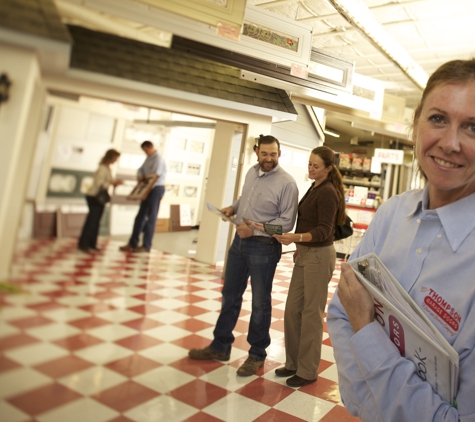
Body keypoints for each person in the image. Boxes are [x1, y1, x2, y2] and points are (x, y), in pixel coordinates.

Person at [327, 58, 475, 421]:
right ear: (415, 126)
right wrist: (369, 405)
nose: (450, 143)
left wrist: (367, 329)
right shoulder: (393, 214)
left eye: (473, 127)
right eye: (438, 118)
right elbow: (339, 310)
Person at [189, 134, 299, 376]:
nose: (268, 158)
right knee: (229, 295)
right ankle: (220, 346)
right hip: (239, 243)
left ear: (279, 154)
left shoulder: (287, 184)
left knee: (260, 303)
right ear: (257, 152)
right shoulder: (251, 172)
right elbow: (244, 199)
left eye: (273, 154)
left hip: (264, 248)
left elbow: (286, 225)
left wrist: (256, 228)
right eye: (264, 154)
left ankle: (257, 354)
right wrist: (233, 208)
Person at [273, 146, 346, 387]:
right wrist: (297, 244)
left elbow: (325, 231)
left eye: (316, 166)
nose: (311, 169)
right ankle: (293, 362)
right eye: (309, 164)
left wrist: (295, 238)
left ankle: (307, 370)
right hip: (306, 254)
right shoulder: (315, 187)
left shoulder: (327, 192)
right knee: (292, 310)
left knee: (311, 314)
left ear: (328, 168)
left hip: (319, 256)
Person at [119, 141, 166, 253]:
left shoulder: (158, 159)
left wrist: (144, 191)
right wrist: (140, 177)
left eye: (146, 150)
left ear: (151, 147)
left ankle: (146, 245)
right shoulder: (148, 158)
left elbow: (155, 177)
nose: (145, 153)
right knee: (139, 217)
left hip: (156, 189)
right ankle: (132, 243)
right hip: (147, 189)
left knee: (151, 218)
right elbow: (141, 170)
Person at [78, 149, 123, 252]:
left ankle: (91, 244)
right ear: (111, 157)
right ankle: (84, 244)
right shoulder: (102, 168)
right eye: (115, 158)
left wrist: (113, 184)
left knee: (96, 221)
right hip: (94, 196)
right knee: (92, 221)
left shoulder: (108, 169)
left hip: (99, 197)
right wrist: (112, 183)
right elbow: (99, 183)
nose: (116, 160)